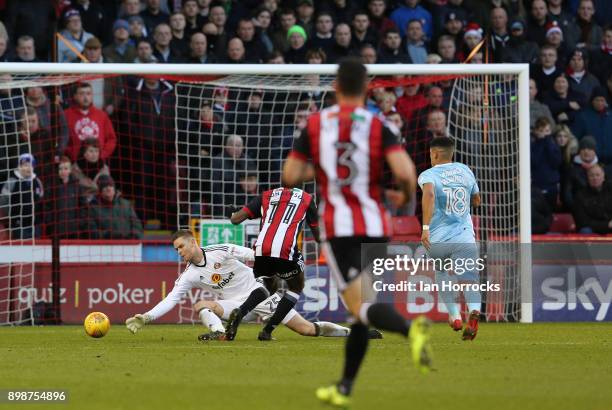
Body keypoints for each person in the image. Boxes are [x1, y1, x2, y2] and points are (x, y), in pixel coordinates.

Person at [281, 58, 431, 407]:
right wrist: (404, 196)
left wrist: (319, 166)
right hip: (377, 226)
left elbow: (290, 175)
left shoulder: (317, 125)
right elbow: (407, 174)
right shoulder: (378, 124)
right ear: (367, 88)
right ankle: (345, 387)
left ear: (336, 87)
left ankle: (411, 330)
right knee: (358, 311)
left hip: (340, 229)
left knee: (361, 306)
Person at [125, 230, 381, 340]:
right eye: (176, 249)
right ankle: (219, 333)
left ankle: (354, 333)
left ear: (193, 242)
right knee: (202, 305)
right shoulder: (190, 274)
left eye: (181, 246)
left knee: (307, 329)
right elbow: (171, 299)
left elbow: (252, 254)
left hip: (259, 295)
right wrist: (146, 317)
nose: (179, 252)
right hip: (235, 306)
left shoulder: (221, 250)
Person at [225, 187, 320, 341]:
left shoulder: (266, 196)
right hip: (285, 249)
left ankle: (240, 312)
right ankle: (267, 331)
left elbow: (235, 220)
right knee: (296, 286)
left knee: (269, 286)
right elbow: (318, 236)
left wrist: (232, 213)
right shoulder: (307, 198)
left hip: (262, 249)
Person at [419, 136, 482, 338]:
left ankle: (454, 315)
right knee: (469, 278)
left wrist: (425, 227)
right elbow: (477, 200)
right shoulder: (465, 170)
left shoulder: (428, 175)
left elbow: (428, 195)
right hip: (463, 235)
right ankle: (474, 309)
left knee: (442, 273)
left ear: (435, 153)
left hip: (437, 237)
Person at [64, 82, 117, 162]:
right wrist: (73, 154)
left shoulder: (102, 115)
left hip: (99, 163)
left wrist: (102, 154)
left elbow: (111, 139)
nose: (85, 97)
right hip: (75, 163)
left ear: (92, 96)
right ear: (75, 96)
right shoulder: (66, 115)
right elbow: (61, 139)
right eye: (81, 94)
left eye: (88, 94)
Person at [0, 154, 44, 239]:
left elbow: (41, 200)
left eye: (30, 165)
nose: (27, 168)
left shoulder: (37, 182)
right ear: (19, 166)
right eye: (25, 165)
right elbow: (4, 202)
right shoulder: (12, 181)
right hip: (18, 225)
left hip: (35, 224)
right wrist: (11, 217)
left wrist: (39, 218)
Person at [85, 175, 143, 239]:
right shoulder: (92, 208)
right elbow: (92, 233)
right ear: (99, 191)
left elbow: (137, 225)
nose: (108, 188)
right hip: (105, 246)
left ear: (114, 188)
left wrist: (134, 235)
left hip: (128, 246)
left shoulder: (126, 204)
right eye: (104, 186)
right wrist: (111, 235)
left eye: (111, 185)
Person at [572, 164, 612, 234]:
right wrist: (606, 225)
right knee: (585, 230)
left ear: (603, 177)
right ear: (588, 178)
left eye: (597, 175)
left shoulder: (610, 190)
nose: (595, 178)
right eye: (592, 175)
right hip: (592, 227)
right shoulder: (580, 195)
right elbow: (582, 221)